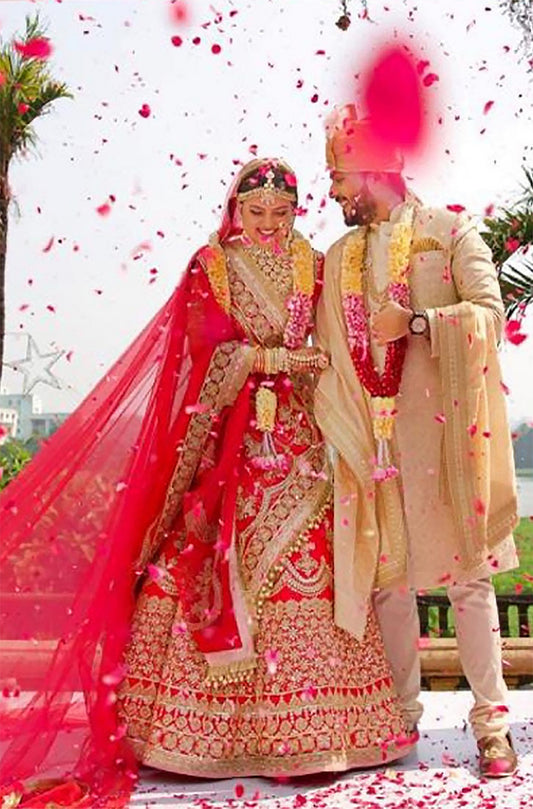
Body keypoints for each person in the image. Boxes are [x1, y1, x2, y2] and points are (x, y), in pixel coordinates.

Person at [0, 158, 413, 808]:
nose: (268, 224)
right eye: (256, 212)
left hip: (302, 436)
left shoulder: (314, 264)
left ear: (296, 211)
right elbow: (203, 346)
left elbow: (338, 338)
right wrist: (266, 357)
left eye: (280, 213)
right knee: (210, 556)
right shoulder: (212, 265)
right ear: (235, 210)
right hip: (230, 440)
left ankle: (317, 728)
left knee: (309, 561)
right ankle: (197, 734)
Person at [315, 104, 520, 778]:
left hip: (444, 446)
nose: (332, 192)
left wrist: (419, 323)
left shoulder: (448, 232)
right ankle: (399, 718)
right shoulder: (338, 258)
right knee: (387, 587)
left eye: (339, 176)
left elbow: (490, 316)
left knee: (468, 584)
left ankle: (492, 725)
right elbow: (327, 351)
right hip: (371, 448)